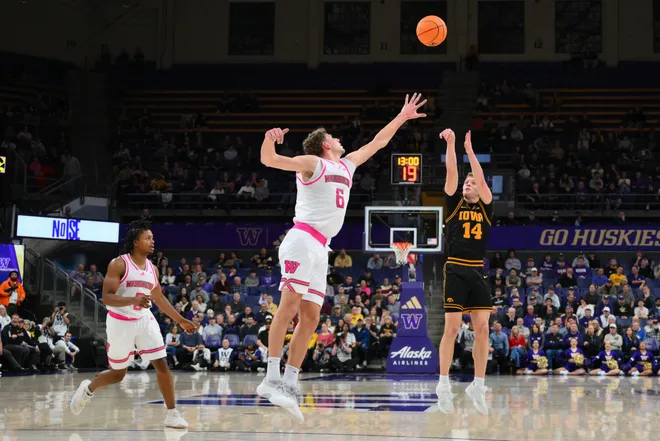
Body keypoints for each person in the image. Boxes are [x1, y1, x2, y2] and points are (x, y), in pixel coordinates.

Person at [256, 94, 427, 421]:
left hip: (321, 247)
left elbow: (378, 142)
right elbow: (270, 161)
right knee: (289, 308)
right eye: (334, 137)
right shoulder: (313, 163)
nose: (340, 139)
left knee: (310, 319)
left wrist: (403, 116)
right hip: (302, 239)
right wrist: (269, 140)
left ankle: (290, 382)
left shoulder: (347, 165)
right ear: (324, 145)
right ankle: (270, 377)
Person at [69, 219, 197, 429]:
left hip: (144, 319)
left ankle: (172, 414)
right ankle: (88, 388)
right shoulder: (119, 264)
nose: (152, 241)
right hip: (120, 322)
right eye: (148, 238)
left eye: (153, 238)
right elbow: (107, 297)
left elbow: (159, 299)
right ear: (136, 242)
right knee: (118, 374)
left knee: (161, 363)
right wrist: (133, 300)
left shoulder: (153, 269)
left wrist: (180, 320)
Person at [436, 129, 493, 415]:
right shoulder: (453, 203)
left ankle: (478, 385)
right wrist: (452, 143)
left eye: (472, 182)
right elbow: (451, 172)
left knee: (483, 329)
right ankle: (443, 385)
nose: (469, 184)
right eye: (467, 183)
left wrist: (470, 152)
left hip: (478, 271)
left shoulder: (486, 207)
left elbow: (482, 180)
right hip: (456, 268)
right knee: (453, 328)